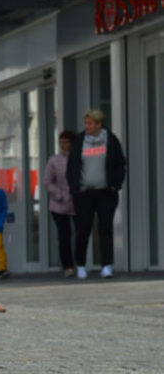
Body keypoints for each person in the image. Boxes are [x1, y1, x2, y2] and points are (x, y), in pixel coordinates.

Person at [67, 108, 125, 279]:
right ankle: (81, 265)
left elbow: (120, 163)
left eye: (90, 124)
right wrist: (74, 188)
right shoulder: (79, 140)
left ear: (99, 124)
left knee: (105, 229)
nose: (87, 126)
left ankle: (107, 266)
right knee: (83, 229)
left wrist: (115, 185)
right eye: (86, 123)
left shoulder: (111, 140)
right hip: (84, 193)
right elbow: (72, 166)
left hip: (106, 193)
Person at [44, 131, 77, 278]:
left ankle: (81, 263)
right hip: (59, 205)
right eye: (61, 142)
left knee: (81, 234)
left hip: (77, 203)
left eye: (66, 142)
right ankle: (68, 266)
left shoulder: (78, 158)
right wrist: (59, 195)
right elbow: (47, 181)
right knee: (64, 236)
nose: (63, 145)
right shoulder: (54, 160)